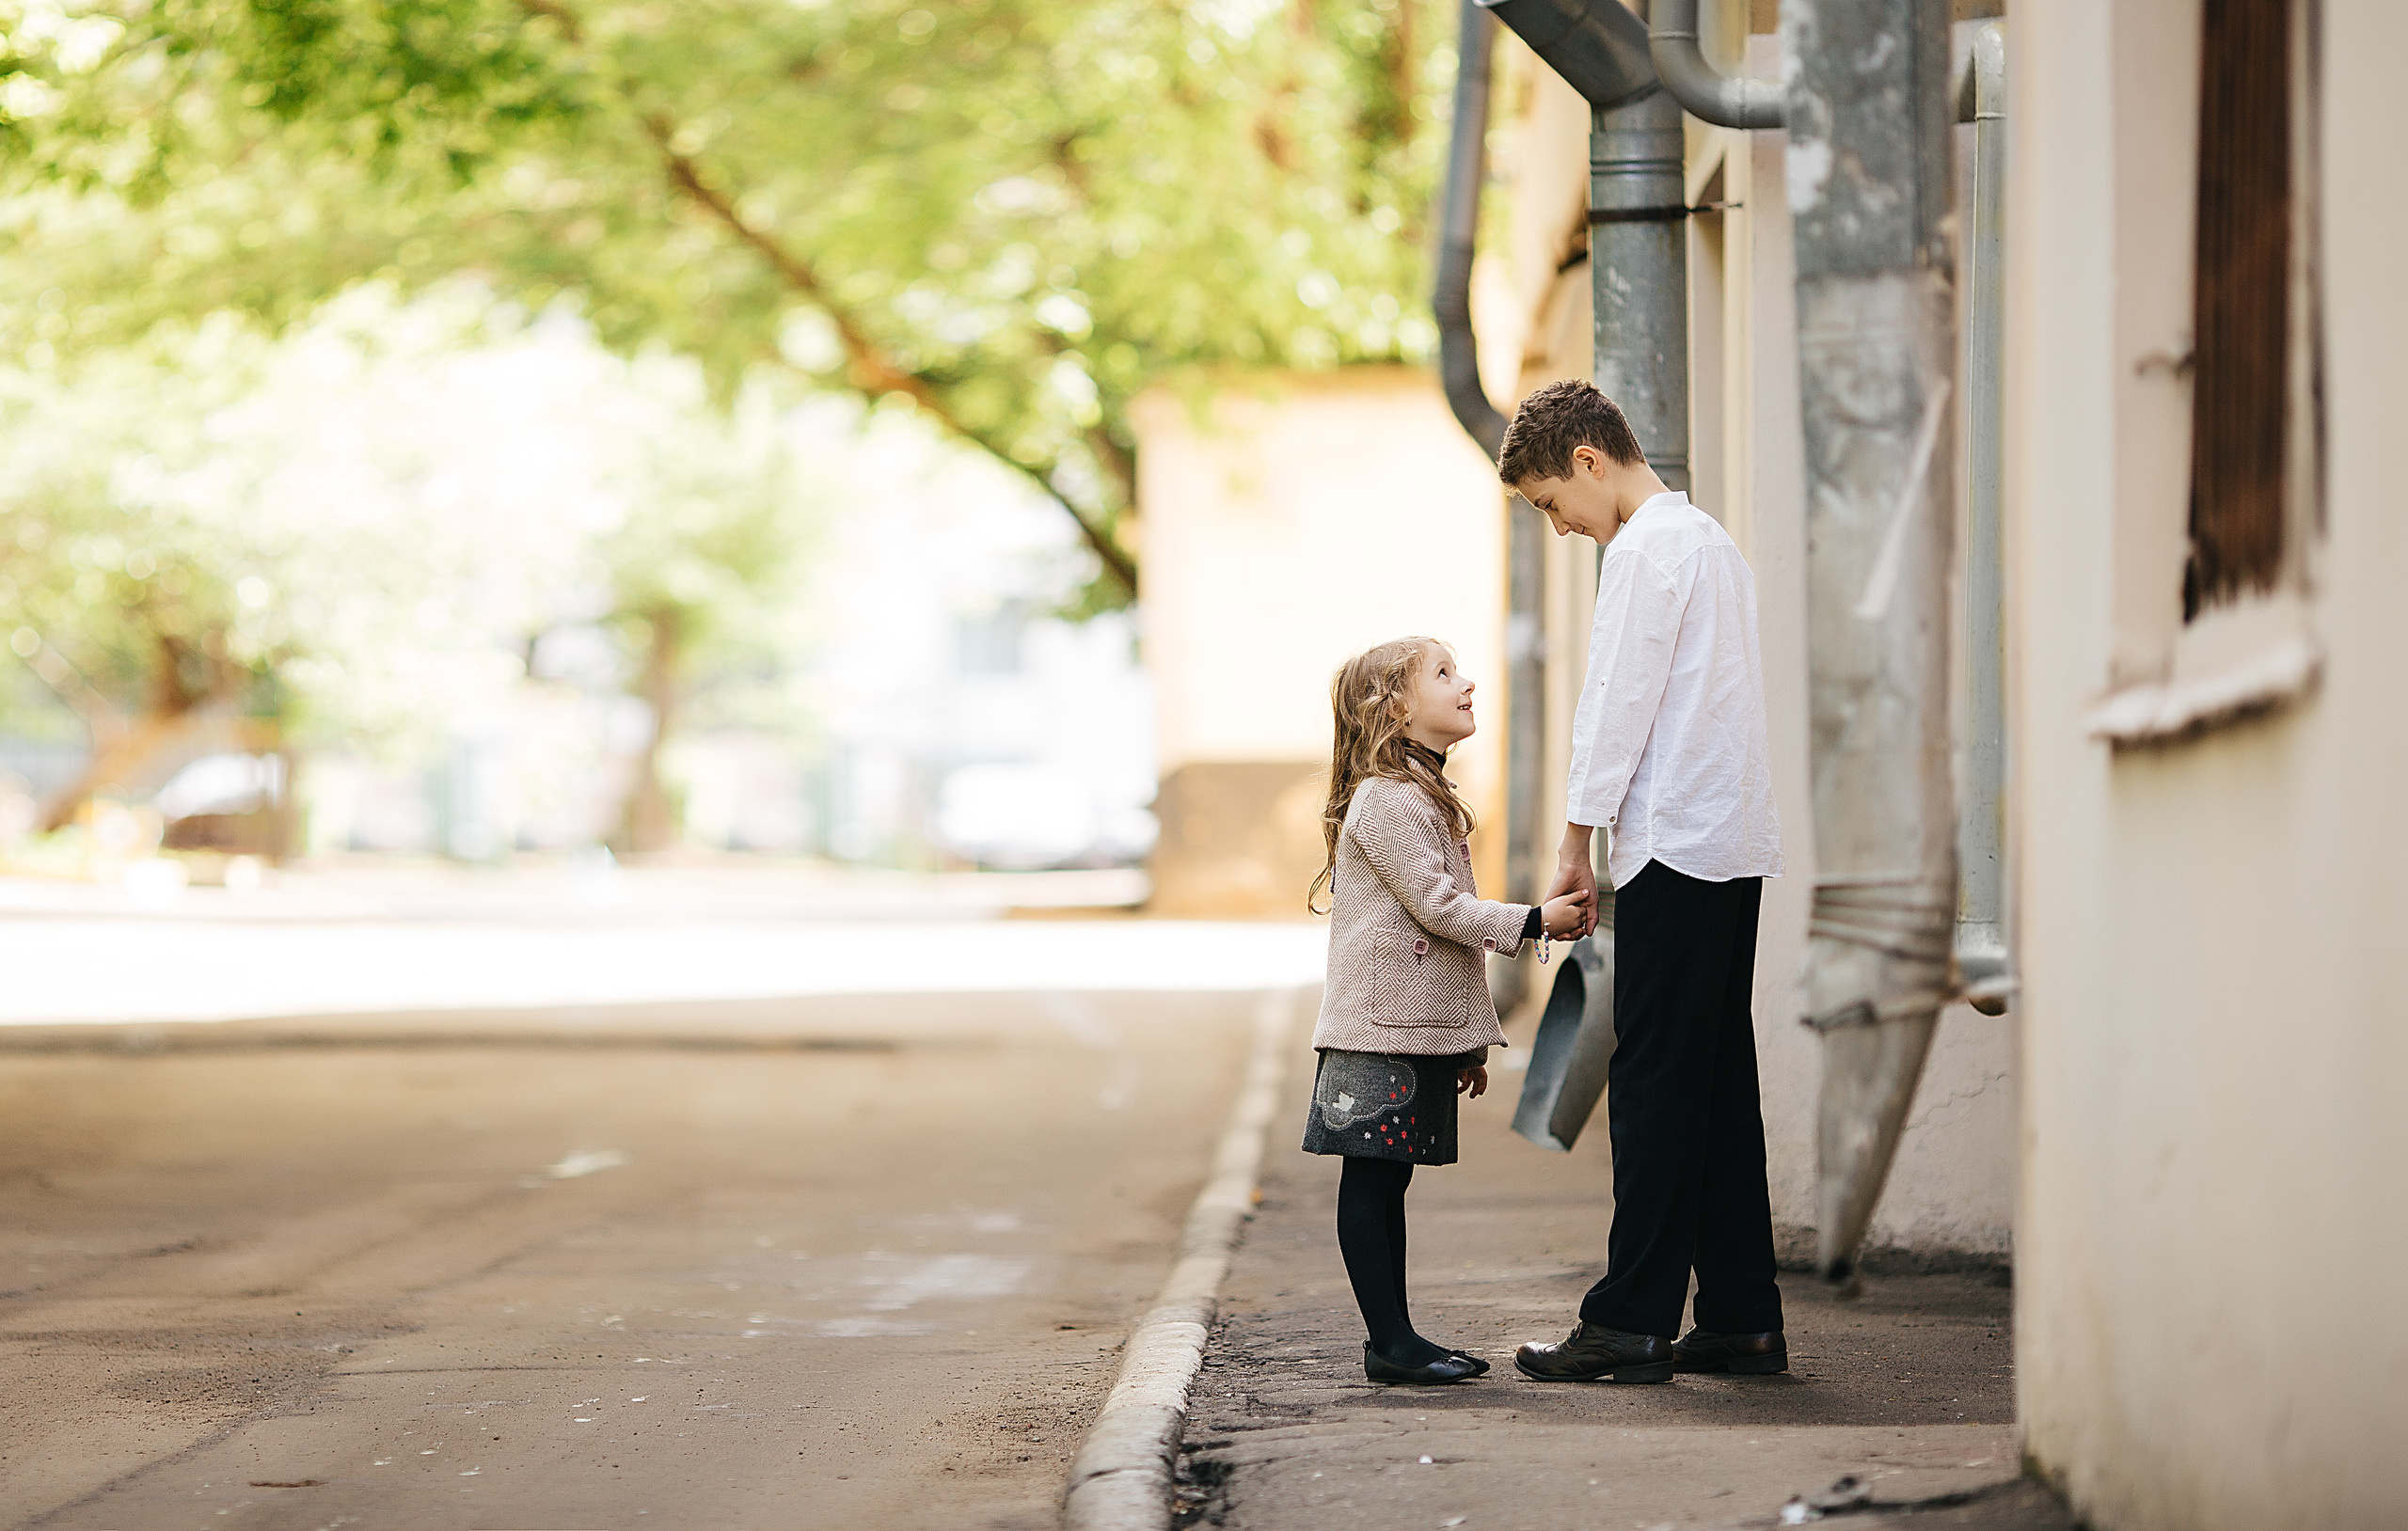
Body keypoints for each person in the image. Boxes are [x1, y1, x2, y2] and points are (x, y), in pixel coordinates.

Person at [1497, 379, 1789, 1385]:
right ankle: (1742, 1312)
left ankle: (1628, 1320)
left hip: (1674, 842)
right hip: (1731, 840)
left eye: (1550, 504)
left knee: (1657, 1082)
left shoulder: (1645, 550)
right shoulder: (1710, 542)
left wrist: (1577, 837)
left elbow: (1617, 701)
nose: (1561, 526)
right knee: (1713, 1081)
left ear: (1588, 460)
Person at [1303, 636, 1592, 1385]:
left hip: (1405, 1029)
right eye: (1443, 673)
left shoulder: (1419, 790)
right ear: (1395, 709)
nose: (1466, 684)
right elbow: (1438, 909)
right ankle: (1389, 1342)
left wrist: (1459, 1042)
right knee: (1372, 1180)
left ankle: (1395, 1339)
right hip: (1376, 1032)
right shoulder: (1391, 797)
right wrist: (1534, 921)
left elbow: (1429, 933)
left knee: (1387, 1179)